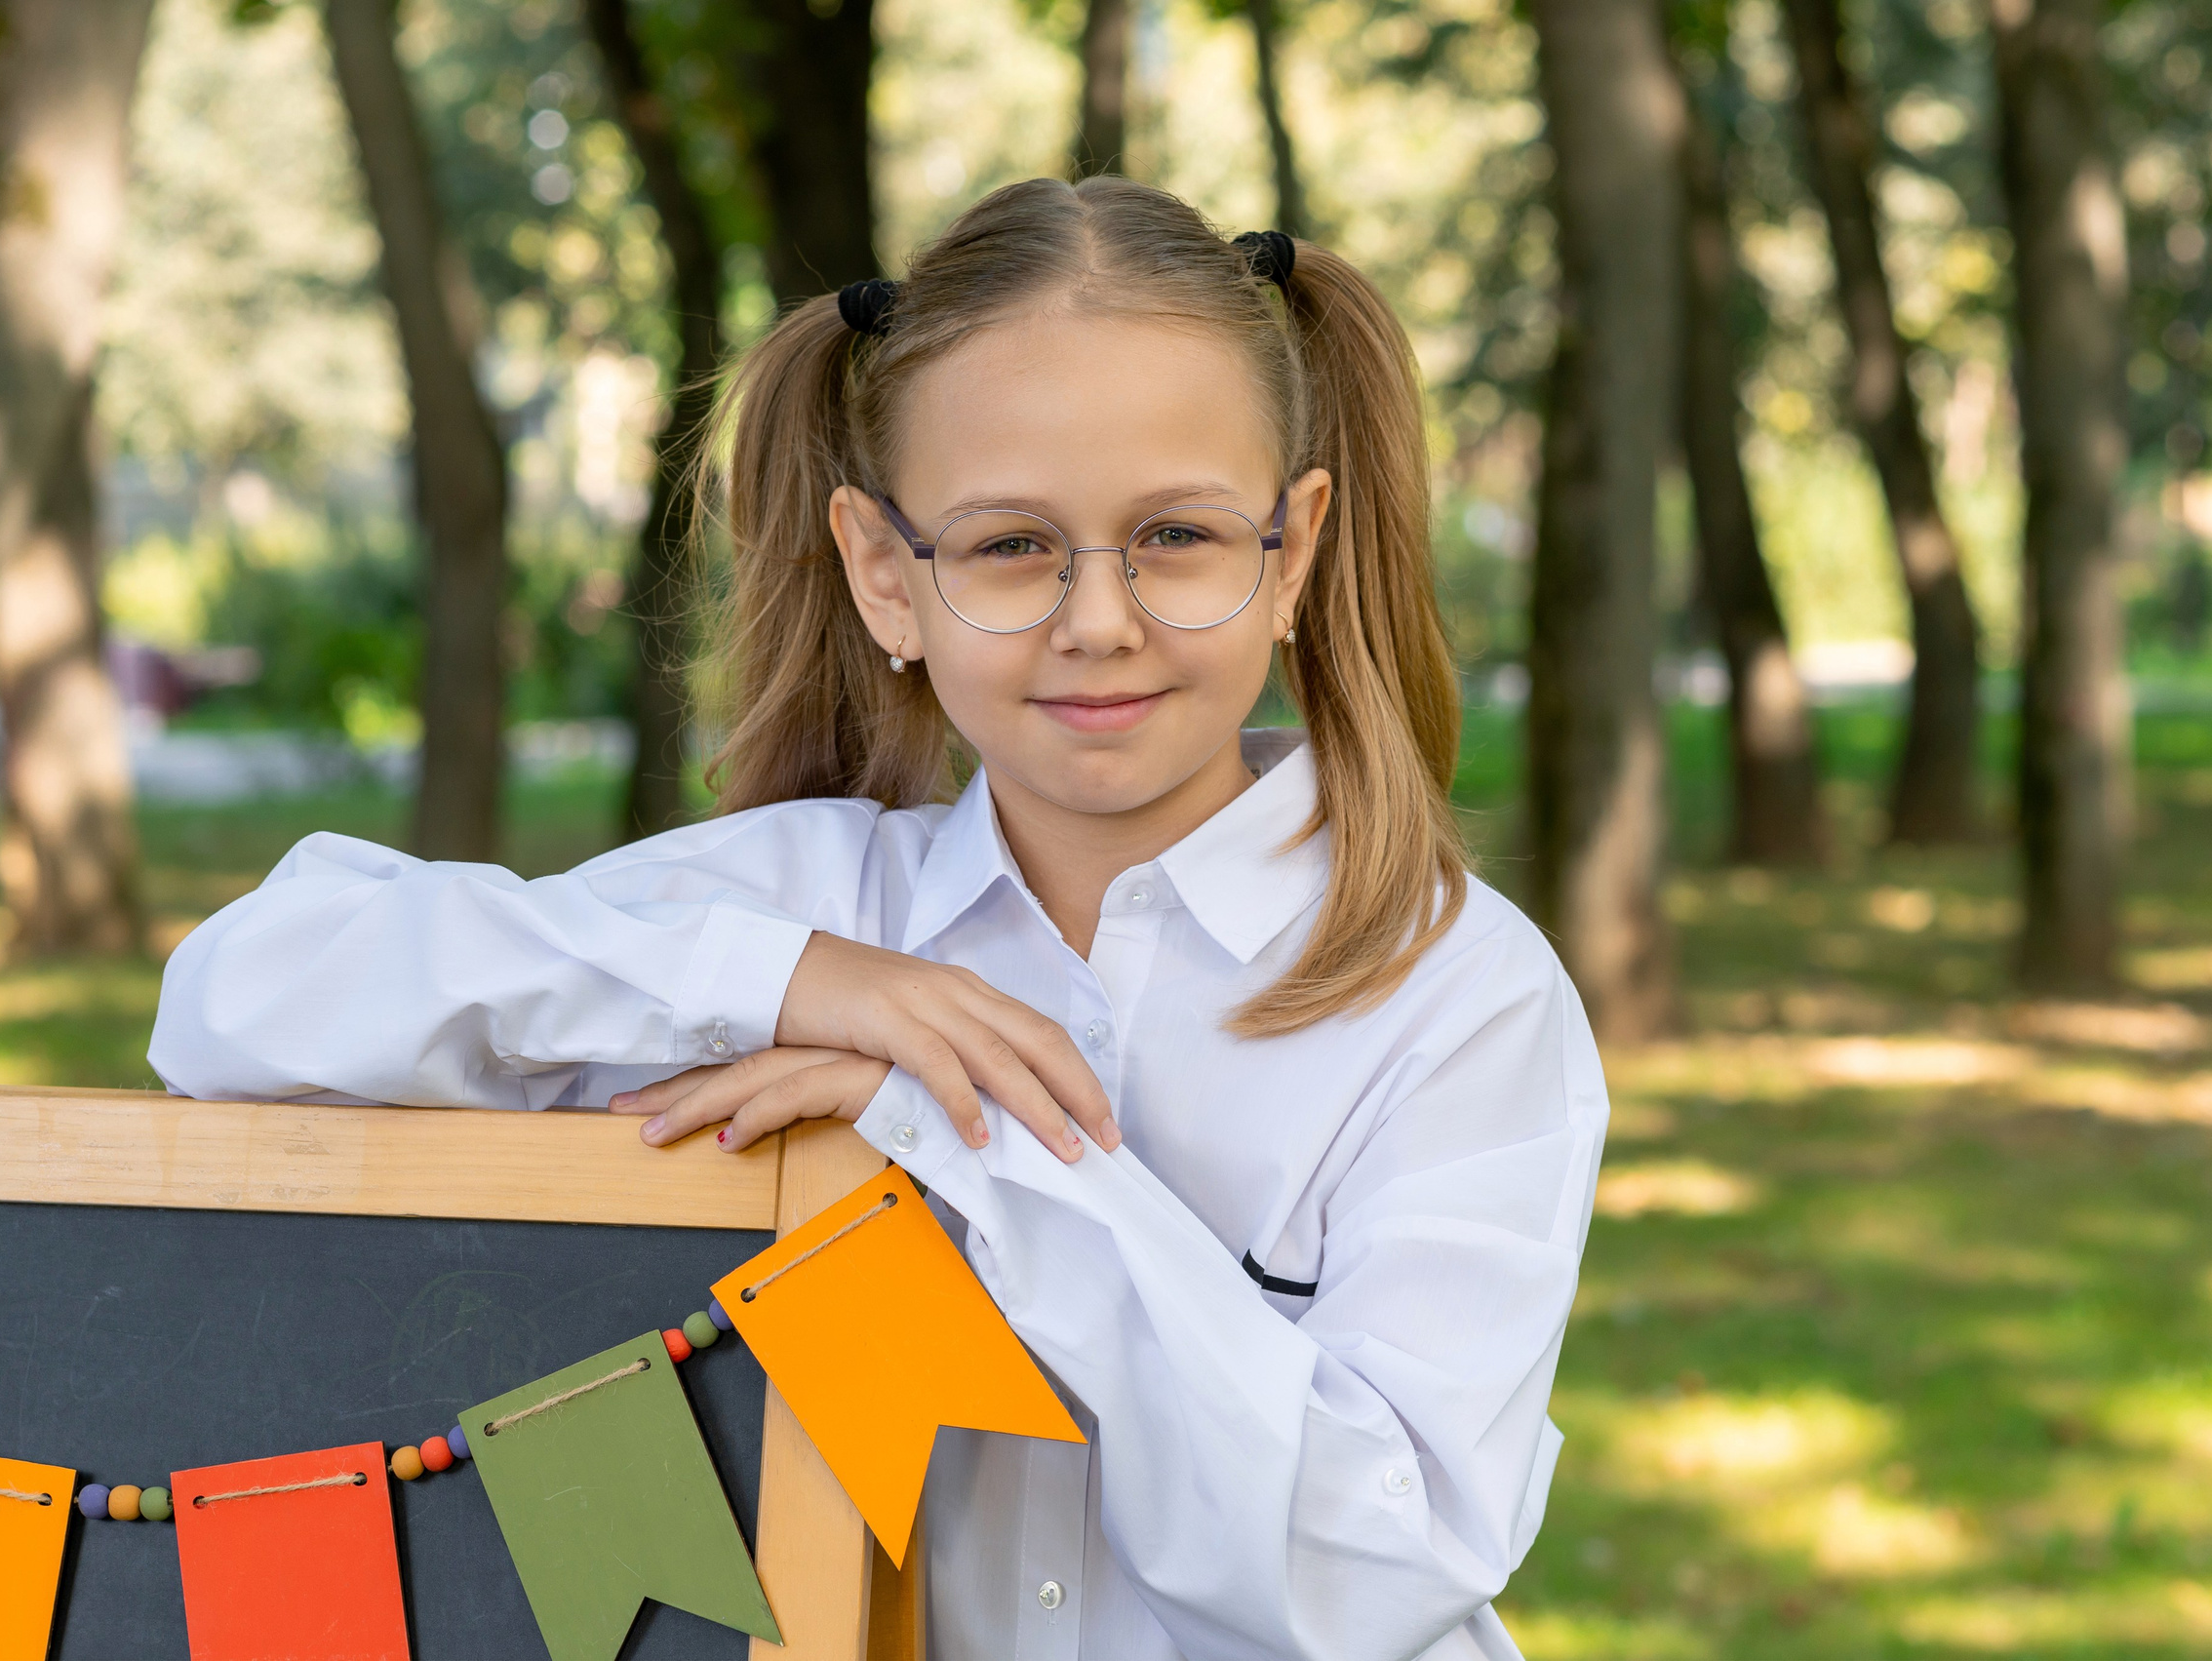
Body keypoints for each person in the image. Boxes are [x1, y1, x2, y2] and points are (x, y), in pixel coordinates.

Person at [150, 175, 1607, 1661]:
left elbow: (1383, 1566)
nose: (1097, 619)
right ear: (883, 575)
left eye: (1176, 535)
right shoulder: (805, 913)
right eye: (1008, 546)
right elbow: (239, 1000)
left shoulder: (1455, 995)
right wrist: (792, 983)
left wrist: (953, 1137)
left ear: (1290, 554)